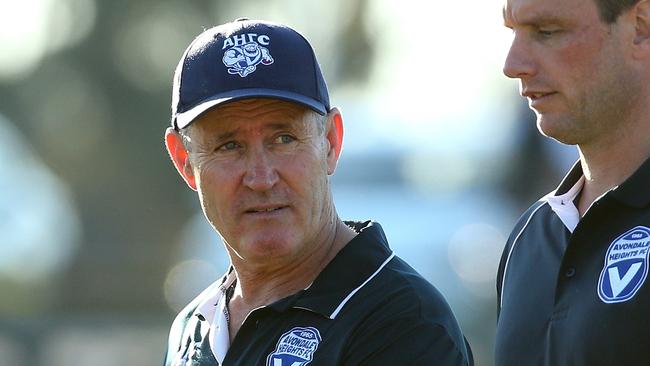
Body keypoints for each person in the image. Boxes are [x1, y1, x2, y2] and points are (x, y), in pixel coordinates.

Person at [162, 18, 473, 366]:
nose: (261, 178)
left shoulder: (401, 322)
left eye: (284, 139)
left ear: (330, 142)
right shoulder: (192, 330)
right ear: (185, 161)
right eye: (229, 145)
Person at [496, 0, 650, 365]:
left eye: (547, 32)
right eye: (512, 32)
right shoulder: (529, 235)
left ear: (640, 26)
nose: (512, 65)